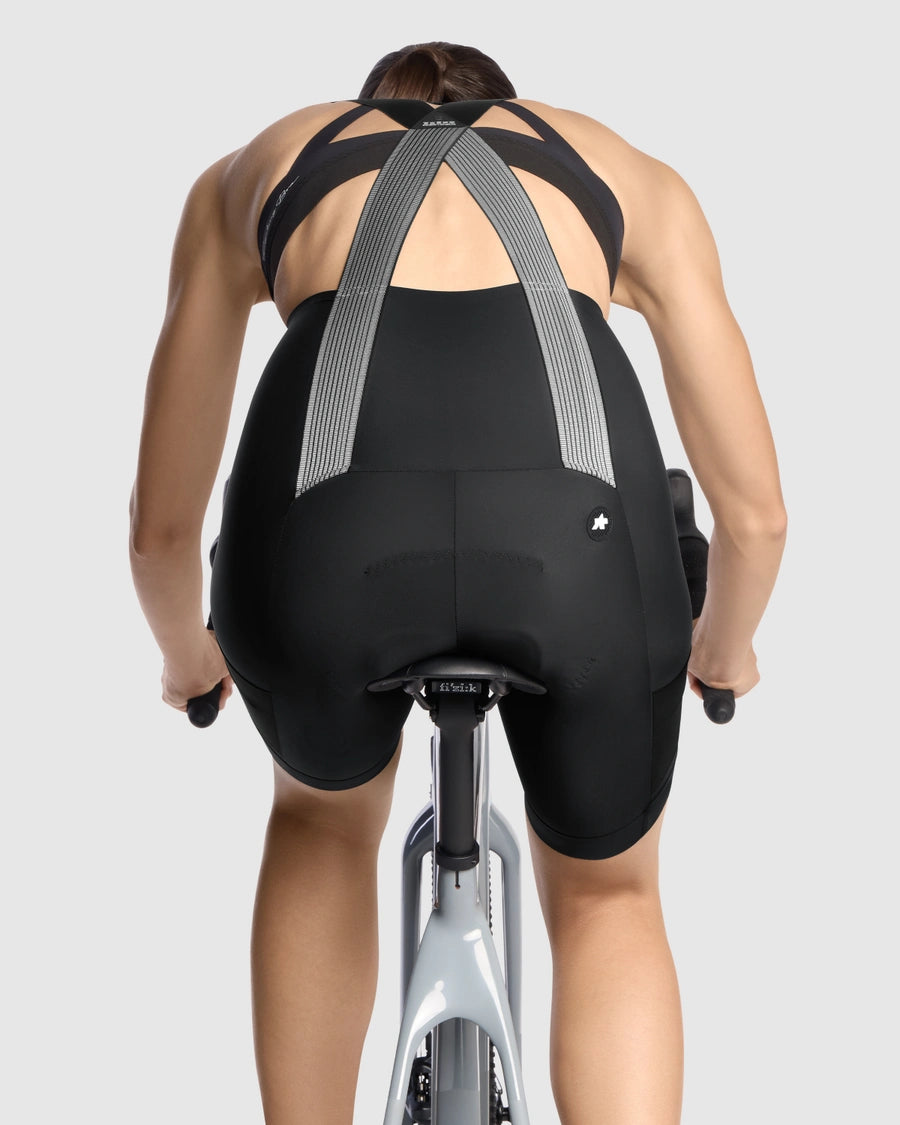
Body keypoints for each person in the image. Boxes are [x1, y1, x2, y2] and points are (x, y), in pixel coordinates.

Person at [129, 41, 787, 1125]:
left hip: (331, 545)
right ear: (513, 112)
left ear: (364, 111)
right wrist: (723, 648)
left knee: (322, 826)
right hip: (579, 551)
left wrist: (190, 663)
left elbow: (160, 531)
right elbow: (756, 517)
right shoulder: (627, 174)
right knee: (609, 893)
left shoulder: (256, 170)